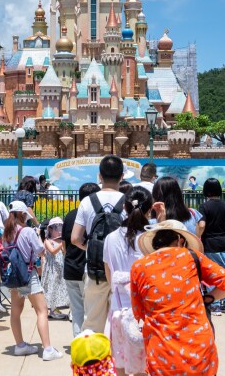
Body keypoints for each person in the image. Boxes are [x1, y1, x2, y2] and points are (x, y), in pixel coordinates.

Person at [130, 220, 225, 376]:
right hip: (198, 350)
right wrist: (207, 298)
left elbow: (138, 312)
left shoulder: (139, 267)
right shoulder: (191, 256)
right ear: (180, 240)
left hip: (162, 353)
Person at [72, 154, 127, 334]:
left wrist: (92, 248)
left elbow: (75, 238)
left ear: (100, 177)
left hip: (95, 271)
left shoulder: (88, 201)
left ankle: (92, 360)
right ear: (122, 177)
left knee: (92, 324)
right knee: (122, 323)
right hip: (122, 273)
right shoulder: (128, 202)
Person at [1, 201, 62, 361]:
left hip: (15, 276)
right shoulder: (27, 231)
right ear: (22, 214)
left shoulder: (7, 233)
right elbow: (40, 251)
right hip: (29, 275)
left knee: (15, 311)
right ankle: (48, 349)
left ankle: (20, 345)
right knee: (42, 311)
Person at [103, 186, 152, 375]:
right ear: (149, 210)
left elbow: (109, 274)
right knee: (143, 367)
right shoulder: (151, 238)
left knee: (120, 366)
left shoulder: (110, 238)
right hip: (145, 311)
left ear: (125, 207)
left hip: (118, 308)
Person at [63, 182, 101, 337]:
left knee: (77, 310)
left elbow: (65, 244)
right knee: (90, 311)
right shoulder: (95, 216)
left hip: (70, 267)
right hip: (88, 269)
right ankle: (89, 343)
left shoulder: (70, 215)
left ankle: (78, 343)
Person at [198, 178, 225, 316]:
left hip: (210, 244)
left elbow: (201, 225)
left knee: (213, 274)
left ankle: (215, 305)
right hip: (224, 243)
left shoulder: (204, 207)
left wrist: (198, 236)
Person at [41, 217, 70, 320]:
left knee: (58, 287)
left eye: (60, 228)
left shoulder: (59, 241)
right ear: (50, 230)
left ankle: (55, 308)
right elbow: (53, 251)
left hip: (59, 268)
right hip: (51, 269)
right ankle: (51, 309)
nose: (59, 231)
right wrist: (62, 243)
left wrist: (63, 244)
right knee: (51, 287)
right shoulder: (47, 241)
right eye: (56, 228)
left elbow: (64, 252)